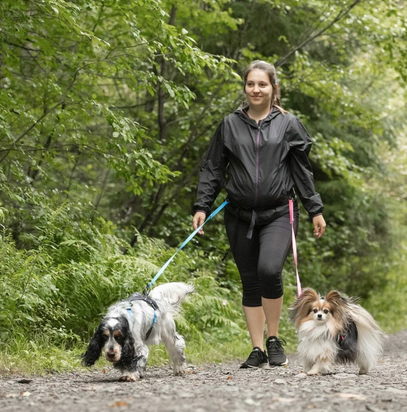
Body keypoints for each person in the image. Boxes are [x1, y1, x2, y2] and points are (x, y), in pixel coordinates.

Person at [192, 60, 326, 368]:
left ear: (273, 88)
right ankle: (256, 348)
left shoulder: (288, 124)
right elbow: (213, 168)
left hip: (279, 212)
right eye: (251, 84)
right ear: (245, 87)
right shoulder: (229, 124)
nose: (256, 89)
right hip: (238, 214)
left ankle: (274, 337)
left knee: (268, 270)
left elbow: (302, 170)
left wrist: (314, 209)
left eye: (262, 84)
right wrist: (202, 206)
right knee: (249, 279)